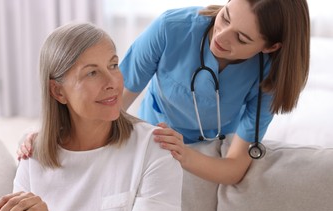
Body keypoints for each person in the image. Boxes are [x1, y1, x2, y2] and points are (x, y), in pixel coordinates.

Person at [18, 0, 310, 185]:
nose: (221, 36)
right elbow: (109, 101)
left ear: (271, 47)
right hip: (153, 131)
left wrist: (181, 153)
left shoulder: (269, 75)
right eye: (225, 17)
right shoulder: (172, 28)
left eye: (242, 38)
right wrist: (54, 133)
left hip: (216, 143)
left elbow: (233, 170)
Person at [0, 22, 183, 211]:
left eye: (113, 65)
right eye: (92, 72)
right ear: (58, 92)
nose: (112, 82)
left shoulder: (154, 147)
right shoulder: (33, 158)